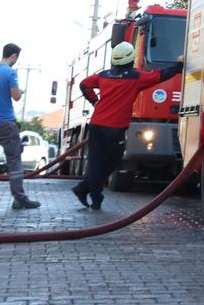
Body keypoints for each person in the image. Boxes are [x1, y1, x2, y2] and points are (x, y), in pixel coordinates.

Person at [71, 42, 183, 209]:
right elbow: (161, 75)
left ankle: (90, 194)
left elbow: (84, 84)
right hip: (114, 128)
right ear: (131, 59)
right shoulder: (135, 78)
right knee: (114, 161)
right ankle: (88, 193)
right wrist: (179, 65)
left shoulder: (103, 75)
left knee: (95, 162)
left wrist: (94, 101)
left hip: (96, 125)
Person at [0, 43, 40, 209]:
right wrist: (20, 91)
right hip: (5, 123)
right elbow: (16, 96)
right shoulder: (10, 72)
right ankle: (19, 198)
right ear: (14, 56)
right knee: (14, 160)